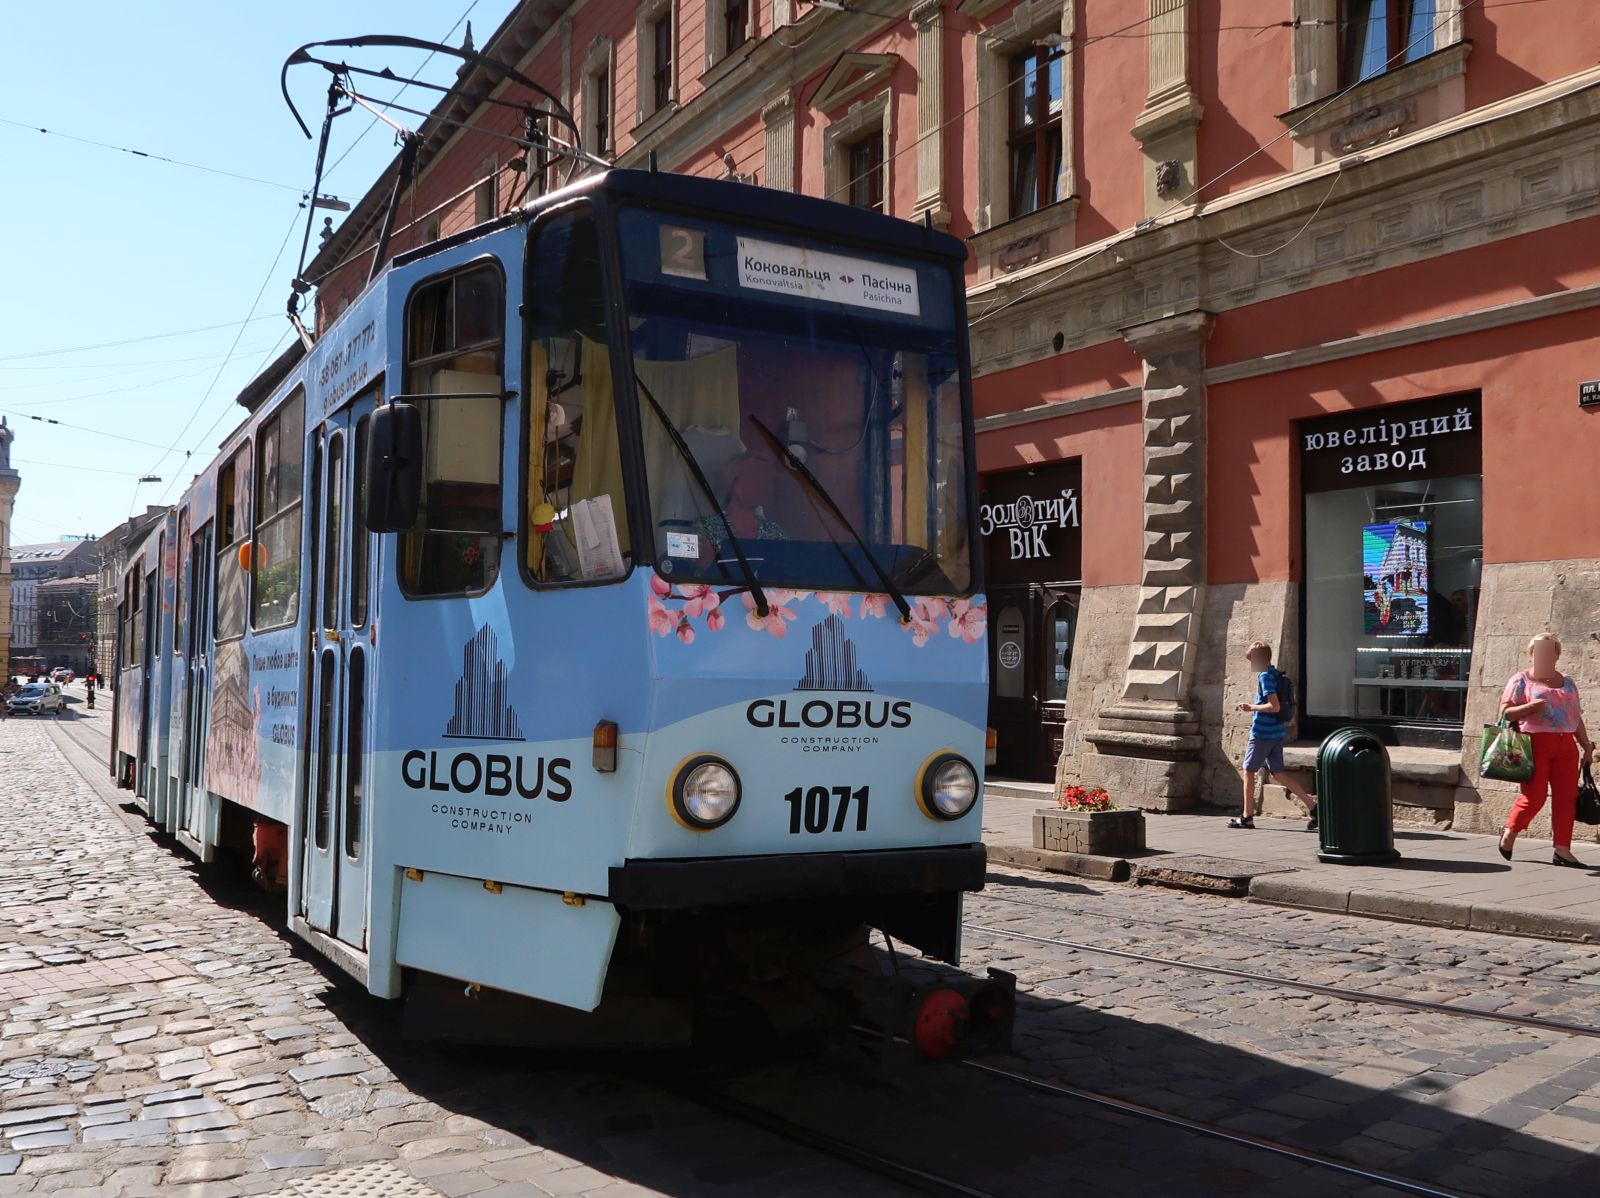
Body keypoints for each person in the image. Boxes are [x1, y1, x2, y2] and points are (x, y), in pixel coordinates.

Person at [1496, 633, 1594, 867]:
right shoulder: (1520, 680)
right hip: (1534, 743)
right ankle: (1510, 832)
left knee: (1567, 798)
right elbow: (1504, 715)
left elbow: (1575, 717)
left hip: (1566, 745)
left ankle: (1562, 849)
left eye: (1550, 652)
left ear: (1557, 655)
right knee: (1534, 797)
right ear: (1532, 654)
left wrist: (1586, 746)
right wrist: (1530, 707)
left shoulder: (1568, 682)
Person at [1231, 641, 1318, 830]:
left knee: (1248, 771)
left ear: (1260, 658)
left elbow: (1274, 706)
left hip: (1263, 732)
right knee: (1278, 773)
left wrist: (1250, 707)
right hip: (1278, 731)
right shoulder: (1275, 673)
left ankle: (1247, 817)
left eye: (1252, 659)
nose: (1251, 663)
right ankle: (1313, 806)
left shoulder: (1265, 677)